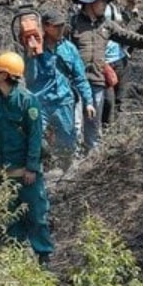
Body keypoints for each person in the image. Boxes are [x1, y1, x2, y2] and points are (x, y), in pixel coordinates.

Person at [69, 0, 143, 151]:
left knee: (95, 123)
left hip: (97, 79)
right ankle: (73, 161)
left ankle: (91, 159)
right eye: (101, 1)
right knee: (76, 124)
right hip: (76, 82)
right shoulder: (74, 23)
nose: (104, 5)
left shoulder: (106, 25)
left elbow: (125, 34)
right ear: (91, 2)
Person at [0, 51, 55, 266]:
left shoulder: (28, 101)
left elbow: (35, 137)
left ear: (5, 75)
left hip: (26, 172)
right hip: (5, 171)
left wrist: (32, 167)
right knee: (10, 214)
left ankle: (44, 257)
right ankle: (14, 257)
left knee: (36, 214)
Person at [23, 9, 95, 169]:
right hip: (40, 102)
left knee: (67, 144)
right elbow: (30, 79)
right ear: (46, 27)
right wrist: (32, 55)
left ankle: (65, 174)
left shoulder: (69, 48)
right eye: (57, 26)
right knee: (36, 139)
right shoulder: (34, 47)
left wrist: (88, 101)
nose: (61, 29)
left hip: (63, 101)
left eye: (62, 25)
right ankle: (44, 169)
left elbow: (80, 77)